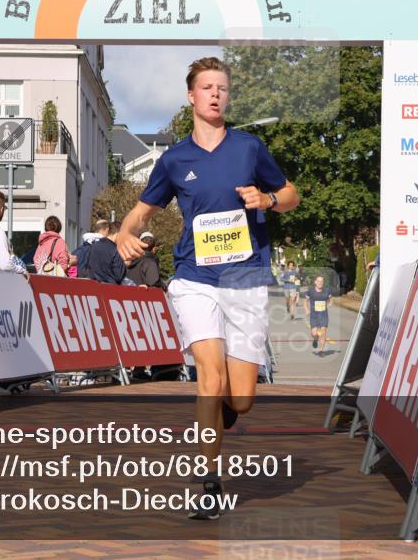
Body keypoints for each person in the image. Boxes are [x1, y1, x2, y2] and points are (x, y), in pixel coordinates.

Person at [115, 56, 299, 520]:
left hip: (246, 278)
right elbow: (142, 212)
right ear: (191, 97)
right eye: (207, 87)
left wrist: (269, 199)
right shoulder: (174, 158)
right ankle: (209, 483)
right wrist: (124, 232)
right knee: (208, 377)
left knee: (241, 397)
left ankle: (226, 413)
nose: (216, 93)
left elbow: (292, 195)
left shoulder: (250, 148)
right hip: (195, 278)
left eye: (222, 87)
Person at [305, 275, 333, 356]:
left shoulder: (327, 291)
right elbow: (305, 301)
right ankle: (315, 339)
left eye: (322, 281)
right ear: (315, 282)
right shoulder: (311, 291)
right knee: (314, 333)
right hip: (314, 316)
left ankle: (321, 350)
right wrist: (307, 309)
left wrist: (330, 303)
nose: (320, 283)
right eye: (318, 281)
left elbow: (331, 299)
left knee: (323, 333)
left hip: (324, 315)